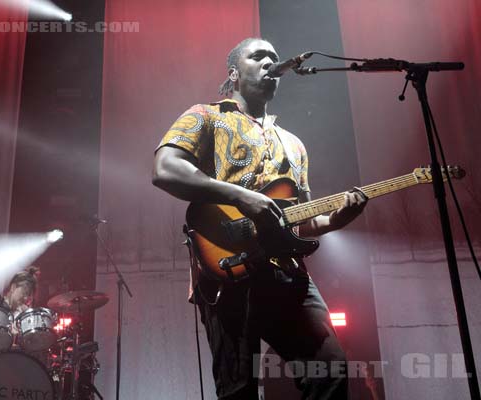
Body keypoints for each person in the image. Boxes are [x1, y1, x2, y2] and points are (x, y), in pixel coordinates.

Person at [152, 38, 367, 399]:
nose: (270, 62)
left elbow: (300, 219)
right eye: (258, 56)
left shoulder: (293, 144)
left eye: (274, 57)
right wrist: (237, 194)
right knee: (239, 390)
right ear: (234, 74)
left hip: (286, 270)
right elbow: (165, 169)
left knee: (330, 371)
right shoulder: (205, 116)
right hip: (227, 268)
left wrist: (334, 220)